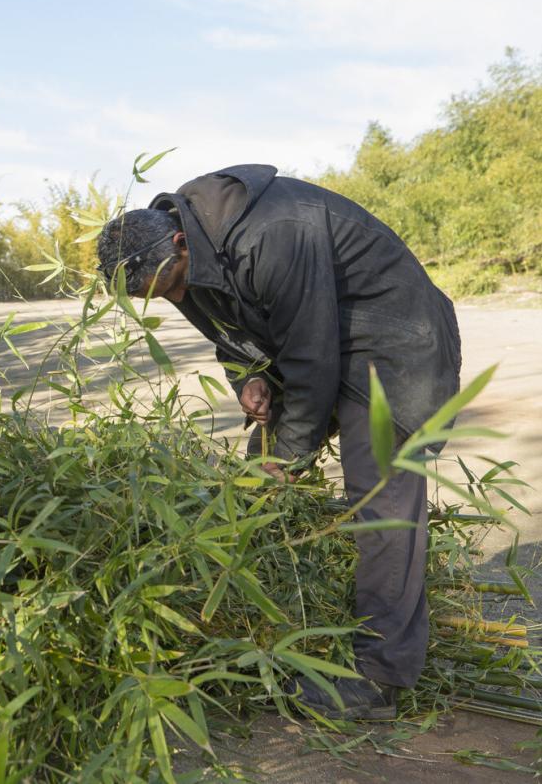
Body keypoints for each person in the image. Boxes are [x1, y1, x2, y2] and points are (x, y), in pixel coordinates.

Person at [97, 164, 461, 720]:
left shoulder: (272, 231)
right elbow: (228, 331)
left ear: (176, 241)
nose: (174, 299)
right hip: (317, 339)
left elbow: (312, 359)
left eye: (171, 286)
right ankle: (257, 625)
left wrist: (291, 457)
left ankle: (378, 678)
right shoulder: (186, 255)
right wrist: (249, 379)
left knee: (380, 503)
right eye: (159, 298)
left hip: (393, 342)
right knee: (253, 484)